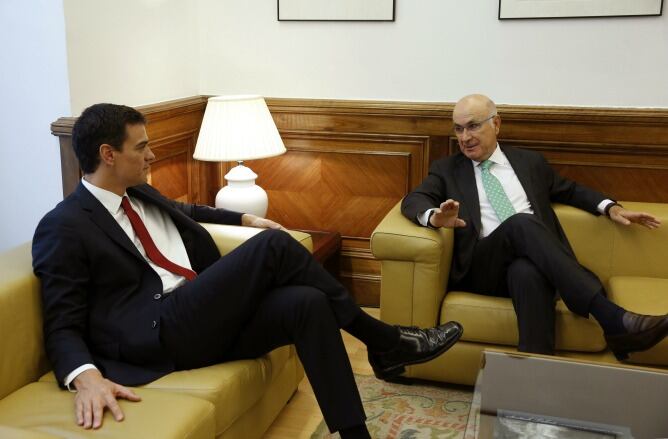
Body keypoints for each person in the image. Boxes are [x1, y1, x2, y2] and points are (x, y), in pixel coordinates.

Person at [32, 103, 463, 438]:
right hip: (159, 329)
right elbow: (61, 320)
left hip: (198, 315)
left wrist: (243, 220)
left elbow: (183, 211)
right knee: (275, 247)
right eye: (141, 146)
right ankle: (385, 340)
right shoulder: (64, 226)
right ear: (108, 154)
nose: (153, 153)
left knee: (307, 303)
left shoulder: (137, 192)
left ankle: (355, 433)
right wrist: (84, 378)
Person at [402, 93, 668, 359]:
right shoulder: (447, 169)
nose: (464, 137)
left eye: (473, 126)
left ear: (496, 124)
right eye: (458, 129)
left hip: (535, 264)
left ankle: (533, 381)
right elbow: (414, 199)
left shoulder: (529, 163)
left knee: (526, 272)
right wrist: (434, 217)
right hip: (483, 268)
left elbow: (570, 190)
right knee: (520, 223)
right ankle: (610, 316)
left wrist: (612, 208)